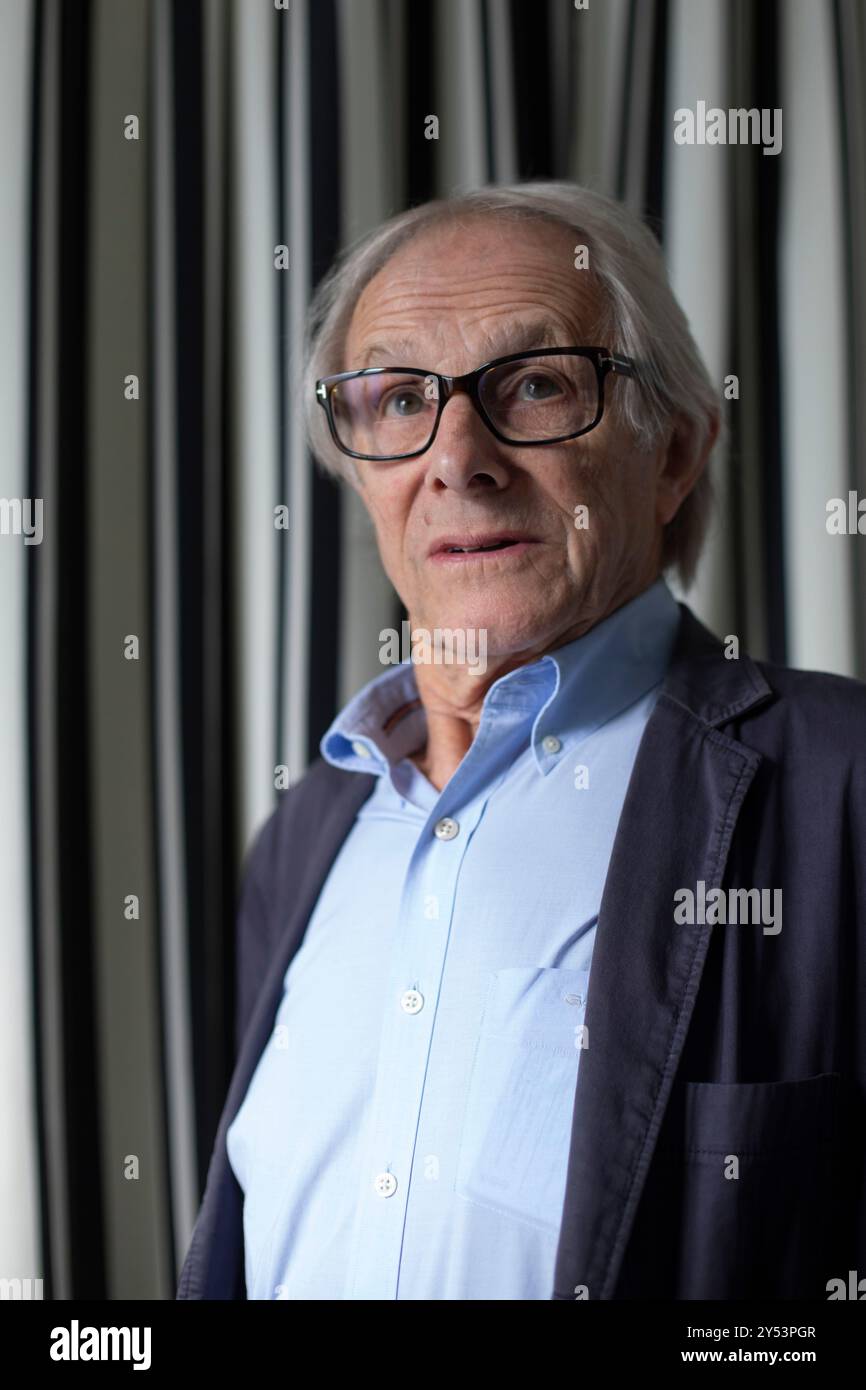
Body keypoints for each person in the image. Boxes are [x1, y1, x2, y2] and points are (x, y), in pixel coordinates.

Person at [178, 182, 866, 1301]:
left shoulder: (839, 786)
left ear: (675, 451)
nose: (456, 458)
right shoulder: (302, 837)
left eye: (536, 384)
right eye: (400, 398)